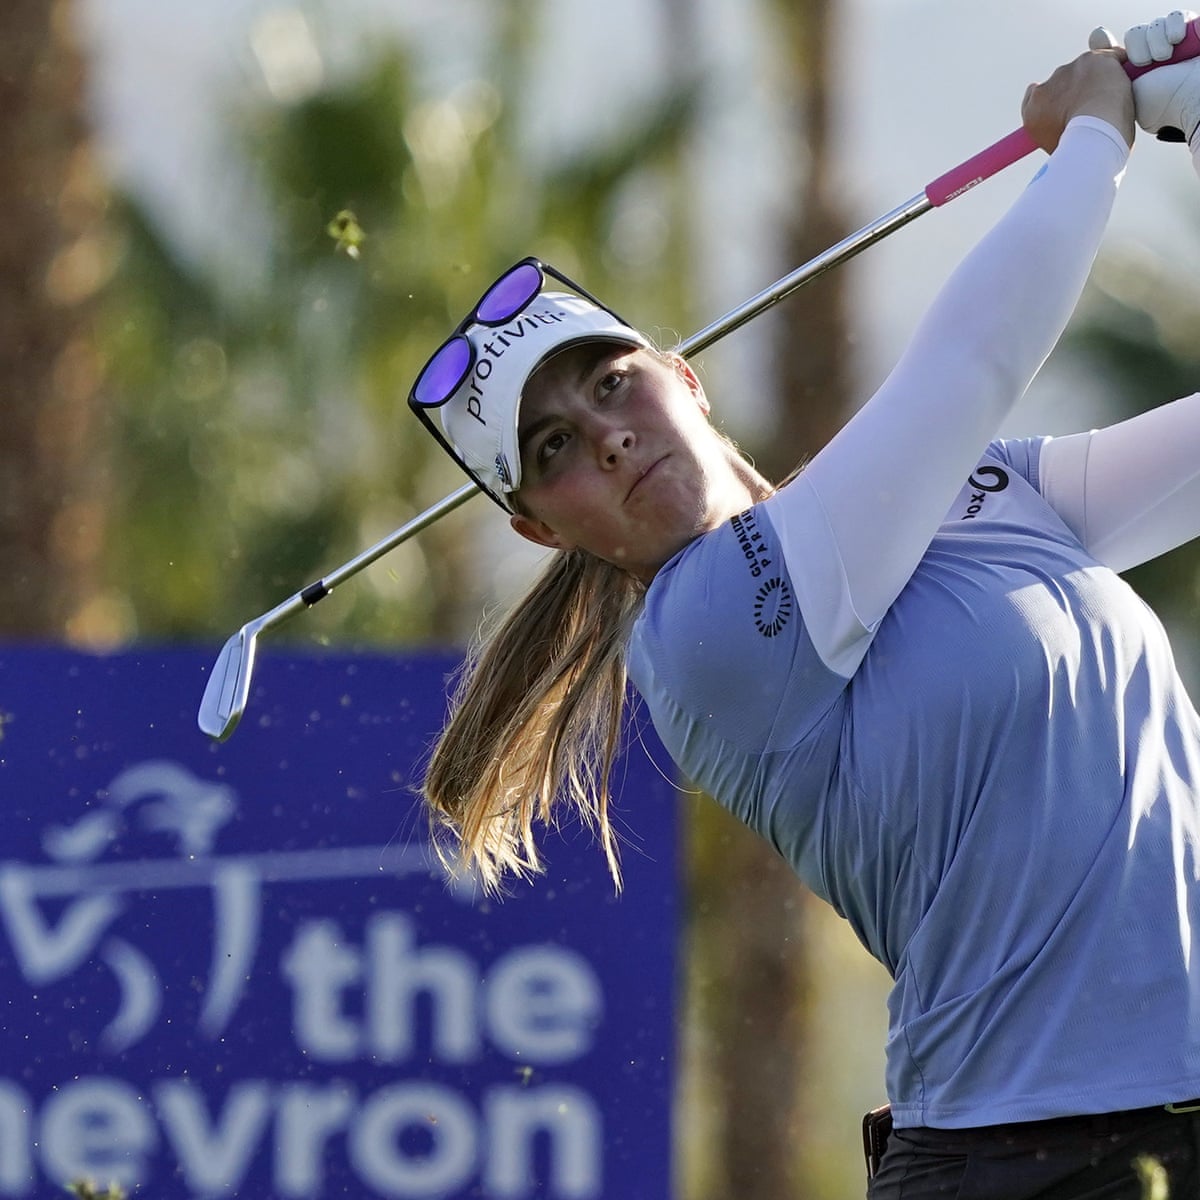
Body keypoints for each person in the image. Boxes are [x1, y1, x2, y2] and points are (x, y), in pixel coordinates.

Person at [407, 13, 1200, 1199]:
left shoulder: (984, 489)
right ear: (539, 529)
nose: (607, 435)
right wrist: (1096, 135)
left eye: (612, 383)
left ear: (684, 379)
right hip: (1022, 1164)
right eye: (554, 447)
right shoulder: (705, 631)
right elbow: (971, 361)